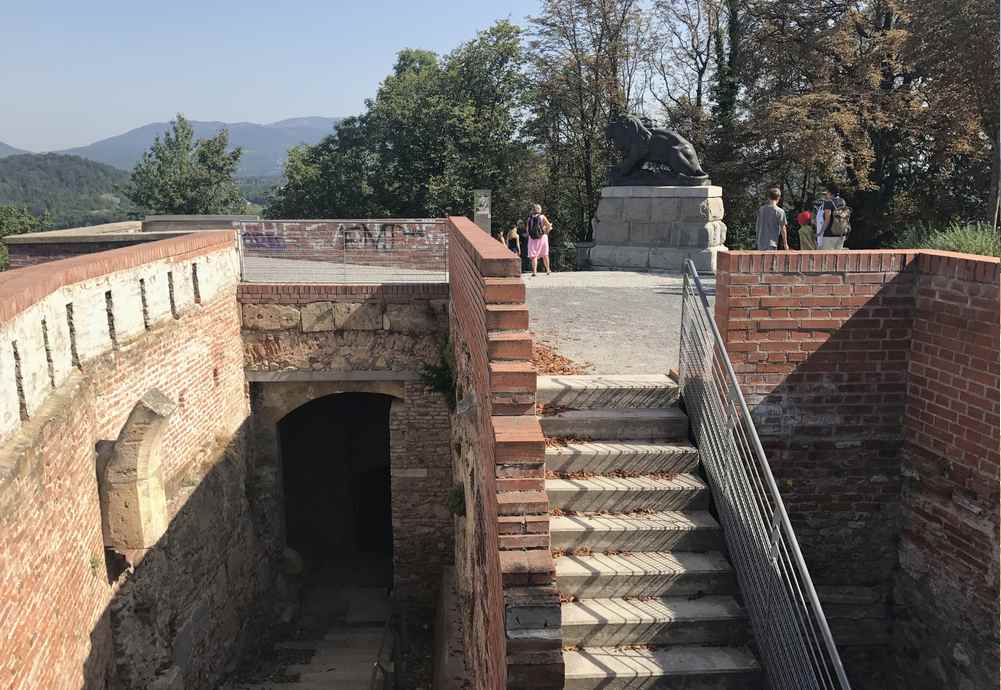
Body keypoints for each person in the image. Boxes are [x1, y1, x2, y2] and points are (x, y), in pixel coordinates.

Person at [526, 203, 552, 276]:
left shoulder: (529, 218)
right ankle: (547, 270)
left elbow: (527, 230)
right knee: (545, 254)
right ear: (539, 209)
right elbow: (549, 226)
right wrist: (546, 231)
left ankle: (534, 272)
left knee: (534, 256)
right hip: (542, 237)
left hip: (532, 239)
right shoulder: (542, 217)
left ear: (532, 210)